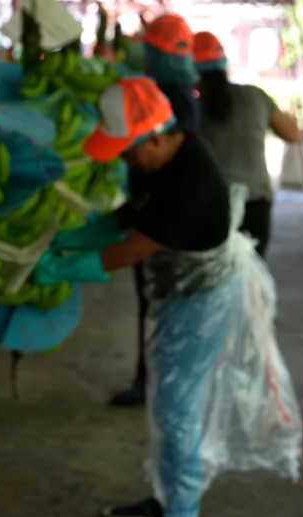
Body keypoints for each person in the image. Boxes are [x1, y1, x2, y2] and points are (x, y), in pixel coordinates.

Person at [33, 77, 302, 517]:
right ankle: (164, 498)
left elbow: (133, 249)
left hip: (206, 301)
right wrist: (79, 236)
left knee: (180, 409)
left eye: (131, 152)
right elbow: (131, 215)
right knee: (166, 401)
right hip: (179, 293)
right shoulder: (158, 161)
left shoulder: (191, 178)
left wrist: (66, 266)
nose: (126, 162)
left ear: (156, 136)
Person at [109, 13, 200, 408]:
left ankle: (152, 381)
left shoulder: (163, 102)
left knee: (157, 304)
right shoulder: (185, 95)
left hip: (162, 220)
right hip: (161, 214)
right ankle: (157, 379)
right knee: (161, 305)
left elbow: (155, 175)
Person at [194, 31, 302, 257]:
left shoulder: (192, 108)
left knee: (212, 277)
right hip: (256, 201)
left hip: (212, 205)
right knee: (252, 275)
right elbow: (292, 134)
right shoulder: (255, 96)